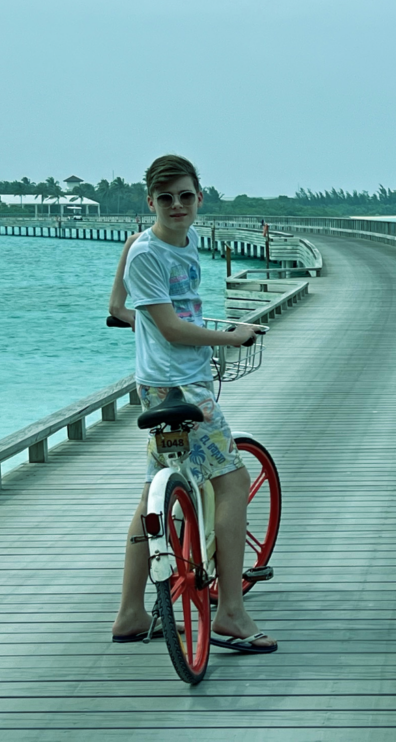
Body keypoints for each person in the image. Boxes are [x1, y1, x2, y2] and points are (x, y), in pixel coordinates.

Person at [110, 154, 277, 654]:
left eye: (185, 196)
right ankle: (231, 612)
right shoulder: (147, 253)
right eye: (166, 198)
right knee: (232, 481)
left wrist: (142, 321)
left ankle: (131, 613)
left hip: (163, 383)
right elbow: (172, 328)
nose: (177, 205)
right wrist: (232, 337)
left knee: (152, 495)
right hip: (181, 388)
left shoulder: (179, 242)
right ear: (150, 202)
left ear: (200, 198)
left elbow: (120, 309)